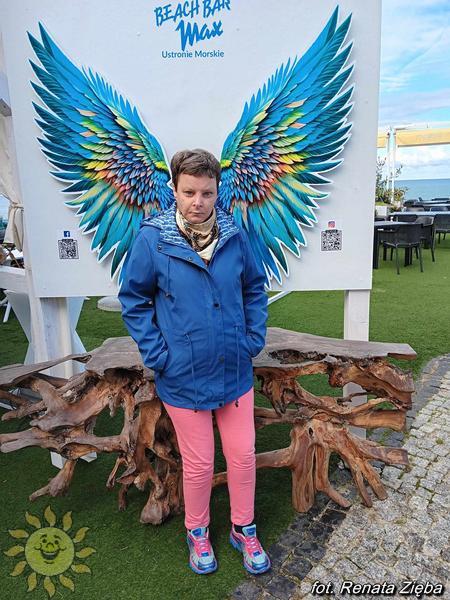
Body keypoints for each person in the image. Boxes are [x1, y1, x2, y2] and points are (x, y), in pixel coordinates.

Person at [119, 148, 270, 575]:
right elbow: (133, 300)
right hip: (182, 376)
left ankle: (243, 528)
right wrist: (157, 355)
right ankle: (197, 531)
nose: (198, 202)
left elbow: (254, 288)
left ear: (217, 190)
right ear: (174, 189)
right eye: (189, 192)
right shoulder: (153, 238)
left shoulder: (235, 235)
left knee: (242, 455)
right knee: (200, 462)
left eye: (206, 192)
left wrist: (252, 339)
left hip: (234, 369)